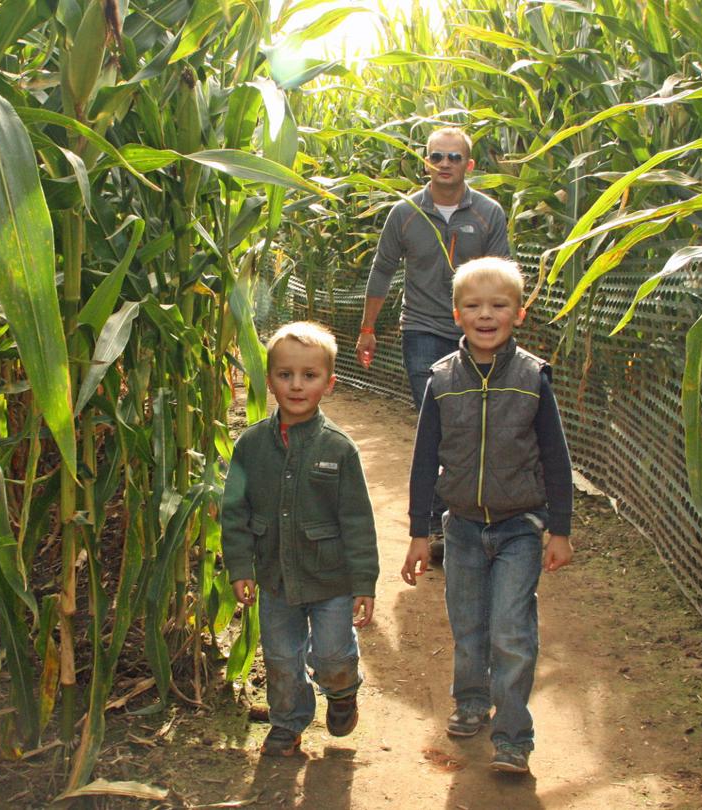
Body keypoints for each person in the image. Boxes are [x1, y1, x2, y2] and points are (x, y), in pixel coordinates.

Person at [400, 257, 574, 775]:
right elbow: (423, 458)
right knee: (468, 624)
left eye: (499, 305)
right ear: (456, 314)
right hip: (463, 527)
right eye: (473, 305)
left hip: (521, 526)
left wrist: (559, 529)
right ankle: (472, 701)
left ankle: (514, 736)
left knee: (511, 630)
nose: (486, 314)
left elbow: (557, 458)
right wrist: (417, 531)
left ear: (518, 314)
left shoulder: (532, 378)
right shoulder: (442, 380)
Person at [221, 321, 379, 758]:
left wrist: (364, 582)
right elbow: (235, 512)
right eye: (285, 374)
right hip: (275, 580)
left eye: (309, 376)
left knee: (330, 655)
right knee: (281, 659)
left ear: (328, 384)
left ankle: (342, 689)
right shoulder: (250, 446)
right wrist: (239, 567)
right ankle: (287, 723)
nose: (296, 385)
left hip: (330, 579)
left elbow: (358, 522)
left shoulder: (339, 449)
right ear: (269, 380)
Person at [356, 126, 510, 563]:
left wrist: (502, 327)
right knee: (436, 421)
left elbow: (503, 273)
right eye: (436, 157)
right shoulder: (405, 213)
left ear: (469, 165)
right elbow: (382, 270)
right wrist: (368, 328)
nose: (445, 164)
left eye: (454, 158)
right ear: (426, 162)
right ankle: (437, 526)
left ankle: (474, 517)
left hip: (477, 333)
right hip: (422, 329)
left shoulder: (488, 213)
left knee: (475, 422)